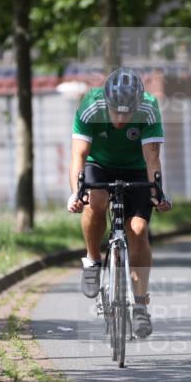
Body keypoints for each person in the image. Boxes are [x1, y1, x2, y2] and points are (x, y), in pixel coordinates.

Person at [67, 68, 171, 338]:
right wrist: (76, 194)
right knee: (95, 200)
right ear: (106, 102)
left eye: (128, 113)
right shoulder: (91, 106)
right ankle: (91, 260)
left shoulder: (149, 107)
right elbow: (78, 155)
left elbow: (152, 159)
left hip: (136, 169)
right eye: (117, 112)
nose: (122, 119)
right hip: (98, 165)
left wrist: (157, 193)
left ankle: (140, 306)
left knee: (137, 230)